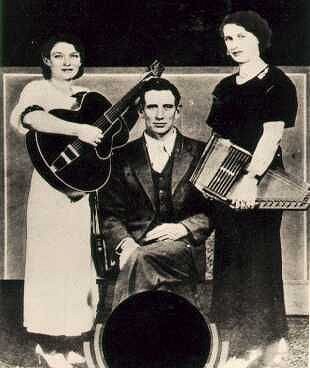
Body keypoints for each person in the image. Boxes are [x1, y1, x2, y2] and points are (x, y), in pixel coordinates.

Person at [10, 34, 136, 368]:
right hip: (51, 187)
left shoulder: (87, 98)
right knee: (49, 261)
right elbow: (32, 118)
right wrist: (77, 131)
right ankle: (47, 345)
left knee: (79, 261)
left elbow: (114, 138)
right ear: (47, 61)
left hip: (81, 192)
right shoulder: (37, 90)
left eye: (74, 55)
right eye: (59, 55)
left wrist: (135, 104)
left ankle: (71, 340)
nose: (68, 61)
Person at [206, 10, 298, 367]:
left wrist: (249, 179)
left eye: (242, 36)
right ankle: (238, 348)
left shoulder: (277, 82)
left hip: (260, 182)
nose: (234, 45)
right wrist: (216, 182)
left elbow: (270, 135)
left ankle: (267, 346)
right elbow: (220, 139)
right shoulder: (225, 87)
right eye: (229, 39)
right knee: (230, 263)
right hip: (226, 184)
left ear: (259, 38)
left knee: (258, 263)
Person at [97, 77, 213, 310]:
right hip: (136, 245)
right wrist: (125, 243)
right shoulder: (121, 156)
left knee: (140, 259)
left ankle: (121, 333)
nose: (160, 115)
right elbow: (109, 214)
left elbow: (212, 210)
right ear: (141, 111)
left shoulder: (201, 152)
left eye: (167, 107)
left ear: (177, 111)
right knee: (138, 256)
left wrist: (182, 228)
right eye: (152, 107)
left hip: (184, 248)